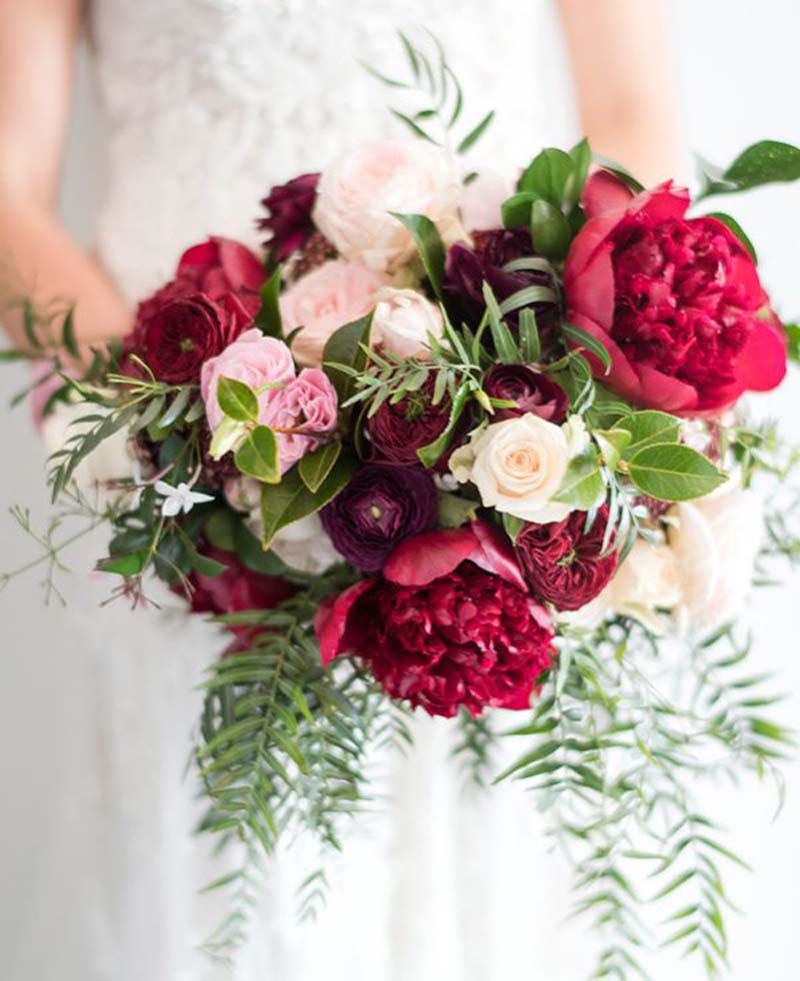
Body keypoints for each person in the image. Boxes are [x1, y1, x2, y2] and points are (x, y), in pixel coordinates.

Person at [0, 2, 679, 979]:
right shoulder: (177, 450)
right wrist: (170, 423)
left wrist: (543, 391)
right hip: (187, 481)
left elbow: (630, 116)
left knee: (486, 845)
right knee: (212, 872)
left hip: (492, 427)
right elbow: (11, 186)